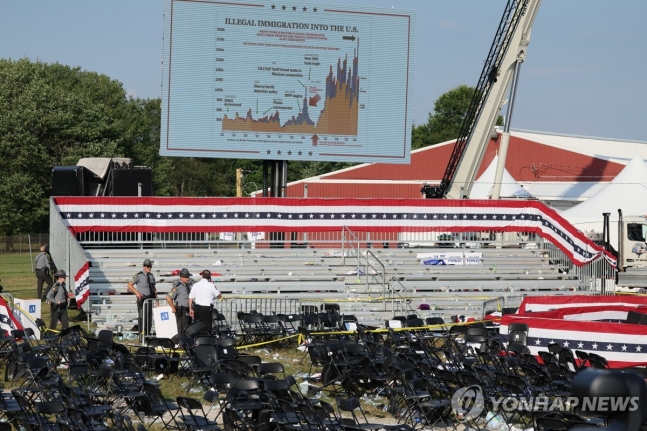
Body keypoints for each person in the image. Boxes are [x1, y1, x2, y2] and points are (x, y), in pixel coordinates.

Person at [127, 258, 157, 336]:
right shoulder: (139, 275)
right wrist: (137, 293)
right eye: (147, 266)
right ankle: (142, 335)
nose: (149, 268)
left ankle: (148, 334)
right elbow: (129, 285)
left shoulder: (151, 276)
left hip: (150, 299)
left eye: (150, 266)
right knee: (142, 317)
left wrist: (157, 300)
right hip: (143, 299)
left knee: (149, 317)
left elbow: (154, 289)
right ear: (144, 266)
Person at [189, 270, 222, 334]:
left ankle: (198, 341)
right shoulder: (211, 285)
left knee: (197, 327)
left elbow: (190, 298)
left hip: (197, 308)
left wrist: (190, 309)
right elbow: (219, 296)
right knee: (207, 328)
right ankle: (206, 341)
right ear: (209, 277)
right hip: (207, 309)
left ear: (202, 276)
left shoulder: (196, 285)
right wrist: (214, 285)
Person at [166, 268, 193, 338]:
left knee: (188, 329)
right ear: (181, 277)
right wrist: (173, 307)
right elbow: (168, 297)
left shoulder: (188, 286)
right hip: (181, 310)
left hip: (187, 310)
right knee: (182, 329)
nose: (188, 278)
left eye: (188, 277)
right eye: (186, 277)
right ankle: (181, 343)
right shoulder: (177, 287)